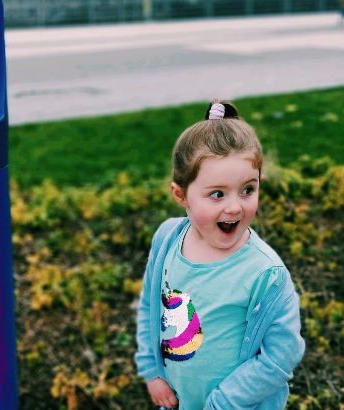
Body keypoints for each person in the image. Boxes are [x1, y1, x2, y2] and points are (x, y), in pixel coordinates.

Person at [134, 101, 305, 410]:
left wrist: (224, 402)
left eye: (247, 190)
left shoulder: (266, 273)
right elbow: (150, 304)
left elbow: (282, 355)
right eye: (217, 194)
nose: (234, 207)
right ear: (181, 194)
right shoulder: (168, 240)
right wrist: (152, 371)